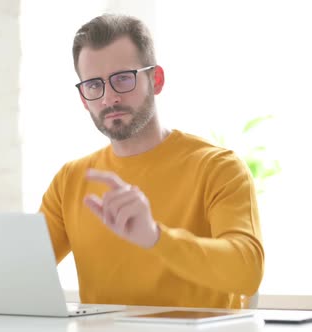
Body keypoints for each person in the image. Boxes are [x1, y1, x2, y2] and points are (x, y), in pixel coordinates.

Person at [39, 14, 263, 309]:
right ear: (83, 98)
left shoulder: (218, 168)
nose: (109, 98)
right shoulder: (70, 180)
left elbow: (246, 273)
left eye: (122, 79)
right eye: (94, 85)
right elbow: (20, 272)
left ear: (155, 80)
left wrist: (156, 238)